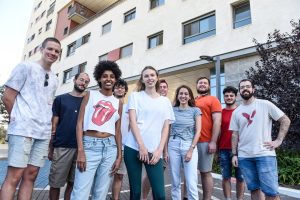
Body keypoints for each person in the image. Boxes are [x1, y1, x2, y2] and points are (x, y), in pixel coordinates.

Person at [0, 37, 61, 200]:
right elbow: (7, 97)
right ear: (42, 49)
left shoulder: (55, 79)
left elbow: (47, 105)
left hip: (42, 132)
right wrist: (18, 120)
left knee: (31, 176)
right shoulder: (25, 67)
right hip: (23, 130)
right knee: (15, 176)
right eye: (50, 49)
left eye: (57, 51)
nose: (53, 53)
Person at [230, 79, 291, 200]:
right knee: (254, 189)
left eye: (248, 86)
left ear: (253, 89)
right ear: (239, 91)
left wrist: (278, 141)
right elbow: (234, 135)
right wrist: (234, 154)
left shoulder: (265, 104)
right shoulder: (236, 112)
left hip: (264, 154)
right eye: (242, 87)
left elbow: (285, 120)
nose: (245, 89)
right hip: (245, 157)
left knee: (271, 193)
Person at [70, 61, 122, 200]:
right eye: (104, 76)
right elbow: (79, 123)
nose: (108, 79)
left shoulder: (118, 102)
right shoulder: (89, 95)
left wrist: (119, 156)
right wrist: (81, 151)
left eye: (112, 76)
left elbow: (117, 131)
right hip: (89, 146)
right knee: (80, 193)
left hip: (110, 147)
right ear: (99, 78)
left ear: (116, 78)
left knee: (101, 193)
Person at [124, 66, 175, 200]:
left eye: (152, 75)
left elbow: (165, 128)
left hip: (154, 151)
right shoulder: (135, 96)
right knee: (135, 192)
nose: (150, 78)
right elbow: (133, 122)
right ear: (142, 79)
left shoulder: (165, 102)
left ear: (157, 78)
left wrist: (159, 151)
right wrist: (141, 146)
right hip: (133, 147)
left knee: (160, 194)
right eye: (146, 76)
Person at [48, 72, 90, 200]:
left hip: (81, 148)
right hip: (62, 146)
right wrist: (51, 148)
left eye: (86, 81)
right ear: (74, 80)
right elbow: (53, 126)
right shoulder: (60, 99)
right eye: (81, 79)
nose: (83, 83)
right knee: (55, 183)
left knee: (73, 183)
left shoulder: (88, 101)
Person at [168, 85, 201, 200]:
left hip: (189, 145)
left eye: (186, 94)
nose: (183, 96)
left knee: (191, 181)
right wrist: (164, 151)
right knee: (175, 180)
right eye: (181, 93)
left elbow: (198, 131)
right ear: (177, 96)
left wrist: (191, 149)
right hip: (173, 145)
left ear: (190, 96)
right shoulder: (171, 110)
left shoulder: (195, 110)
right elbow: (167, 130)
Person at [195, 77, 222, 200]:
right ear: (196, 85)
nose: (202, 84)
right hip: (190, 142)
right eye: (200, 82)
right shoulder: (192, 100)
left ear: (209, 86)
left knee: (205, 172)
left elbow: (217, 121)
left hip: (205, 141)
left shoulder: (213, 99)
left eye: (205, 83)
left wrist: (213, 141)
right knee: (189, 173)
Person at [141, 79, 169, 200]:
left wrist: (165, 150)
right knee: (148, 175)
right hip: (151, 146)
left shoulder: (167, 104)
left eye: (165, 87)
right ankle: (143, 197)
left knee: (157, 177)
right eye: (161, 87)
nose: (163, 88)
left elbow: (167, 131)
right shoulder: (150, 104)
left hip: (164, 147)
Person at [218, 86, 245, 200]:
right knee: (225, 177)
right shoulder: (220, 113)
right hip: (223, 149)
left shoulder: (241, 111)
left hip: (240, 149)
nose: (229, 98)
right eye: (226, 96)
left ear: (235, 97)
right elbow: (218, 131)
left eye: (231, 95)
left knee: (240, 178)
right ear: (224, 97)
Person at [111, 79, 129, 200]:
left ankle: (115, 198)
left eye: (122, 87)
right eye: (117, 87)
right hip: (108, 144)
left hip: (122, 147)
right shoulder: (109, 105)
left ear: (125, 90)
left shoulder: (129, 107)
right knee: (103, 176)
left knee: (119, 176)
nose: (119, 89)